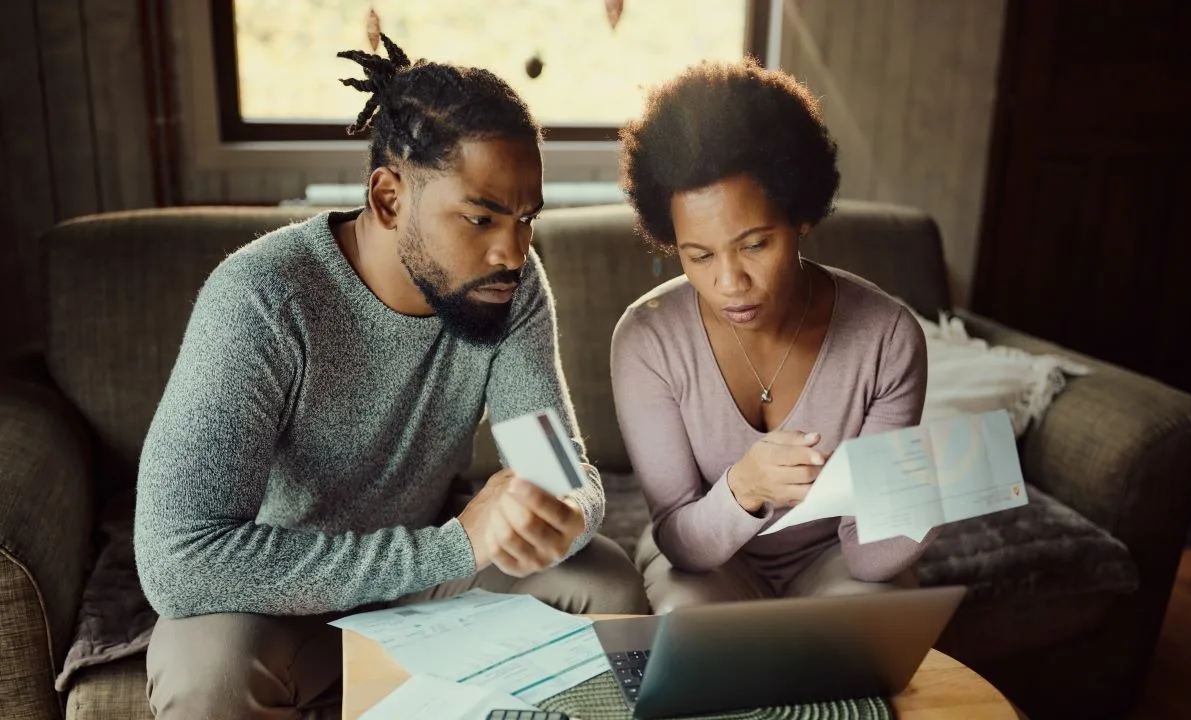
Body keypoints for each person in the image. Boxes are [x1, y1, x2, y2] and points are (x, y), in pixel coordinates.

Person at [135, 35, 648, 719]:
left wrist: (563, 510)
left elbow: (555, 465)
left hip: (433, 577)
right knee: (208, 673)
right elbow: (179, 560)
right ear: (388, 199)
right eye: (481, 218)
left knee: (607, 585)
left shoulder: (510, 288)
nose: (512, 250)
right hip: (280, 596)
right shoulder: (261, 299)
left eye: (526, 219)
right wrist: (450, 548)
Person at [610, 59, 937, 614]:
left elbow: (868, 558)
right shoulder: (648, 340)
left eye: (755, 245)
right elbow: (679, 540)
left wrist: (923, 506)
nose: (729, 283)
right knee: (687, 624)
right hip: (708, 561)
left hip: (835, 559)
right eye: (699, 256)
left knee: (864, 628)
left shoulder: (887, 338)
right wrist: (746, 488)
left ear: (801, 217)